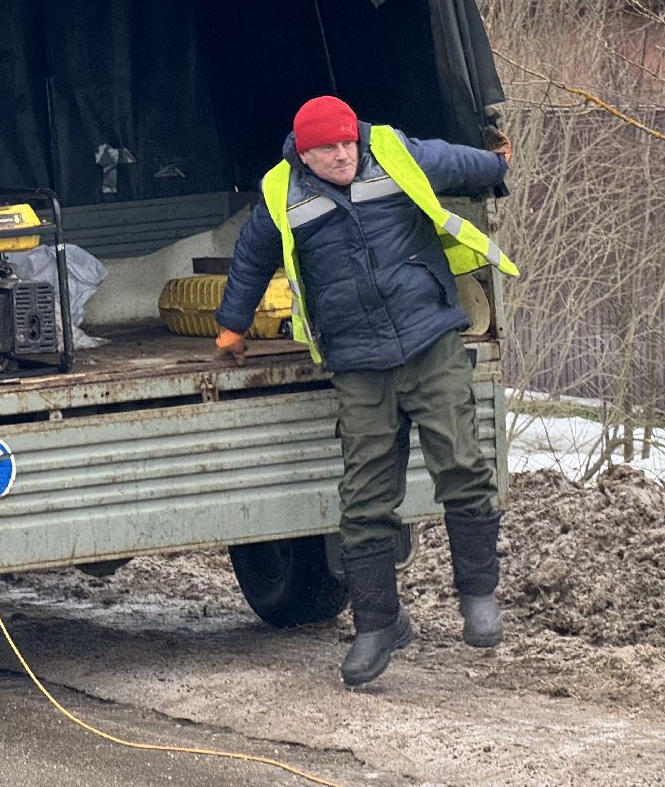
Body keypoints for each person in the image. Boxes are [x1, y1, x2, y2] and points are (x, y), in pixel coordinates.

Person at [214, 95, 516, 687]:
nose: (344, 154)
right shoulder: (282, 192)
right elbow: (252, 256)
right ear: (305, 153)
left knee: (461, 461)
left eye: (349, 142)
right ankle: (378, 624)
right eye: (329, 149)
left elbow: (458, 163)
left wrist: (497, 163)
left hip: (429, 338)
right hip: (356, 361)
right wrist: (232, 325)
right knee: (364, 498)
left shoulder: (393, 153)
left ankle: (478, 595)